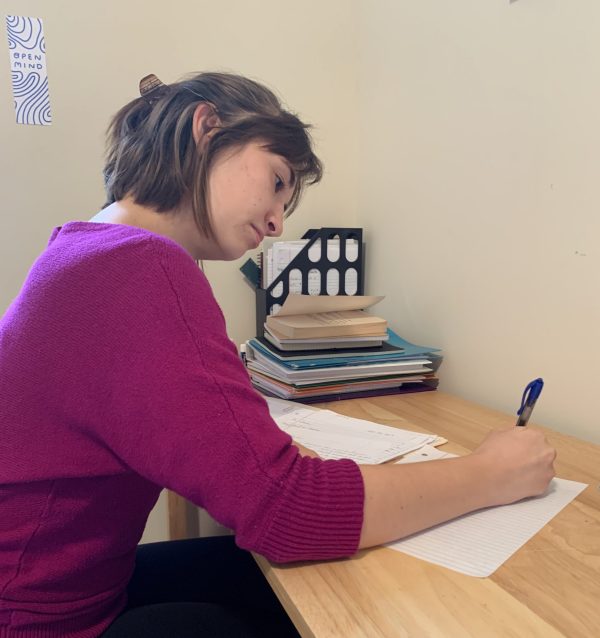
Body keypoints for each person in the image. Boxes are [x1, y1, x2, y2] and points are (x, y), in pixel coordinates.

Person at [0, 71, 556, 638]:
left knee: (271, 582)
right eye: (276, 181)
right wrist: (490, 473)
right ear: (206, 128)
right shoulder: (137, 269)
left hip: (71, 591)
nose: (276, 222)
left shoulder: (83, 251)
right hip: (42, 622)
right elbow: (288, 512)